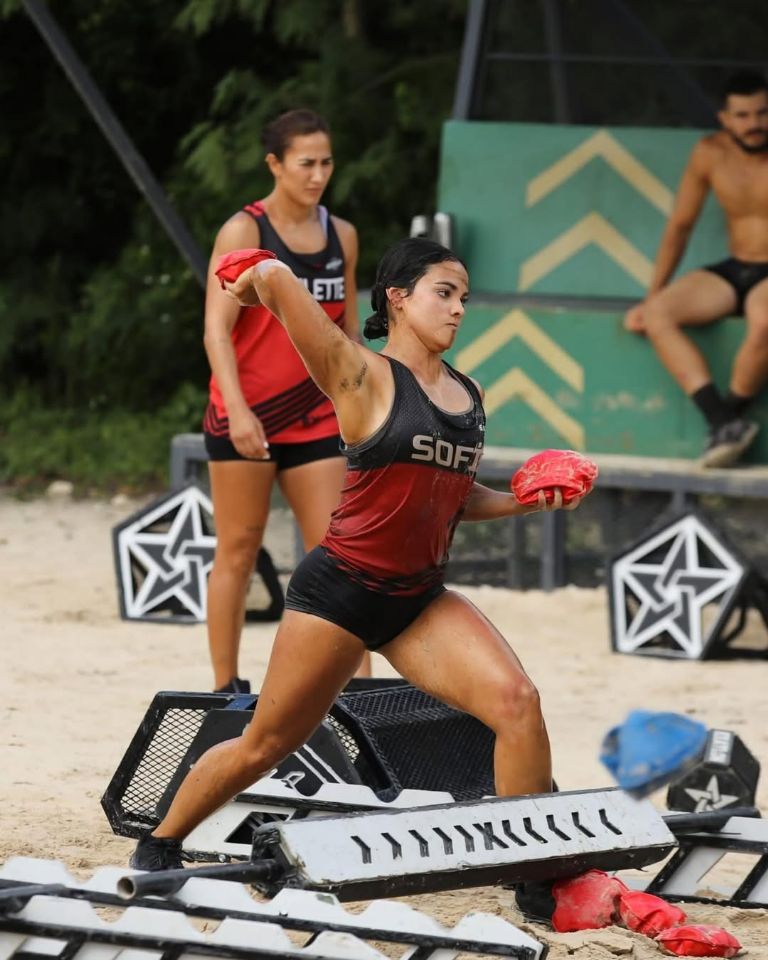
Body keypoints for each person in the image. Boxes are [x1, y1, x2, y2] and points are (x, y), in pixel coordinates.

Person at [130, 236, 589, 872]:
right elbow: (299, 312)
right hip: (340, 594)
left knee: (519, 705)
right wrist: (264, 273)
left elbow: (452, 495)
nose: (458, 309)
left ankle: (538, 874)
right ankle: (159, 843)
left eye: (463, 297)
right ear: (397, 298)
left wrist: (524, 503)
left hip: (418, 600)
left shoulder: (469, 394)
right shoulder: (361, 375)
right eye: (444, 293)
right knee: (265, 743)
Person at [201, 108, 370, 692]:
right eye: (306, 164)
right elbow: (216, 330)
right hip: (246, 412)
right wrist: (237, 410)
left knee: (339, 556)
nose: (318, 175)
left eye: (326, 162)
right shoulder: (244, 231)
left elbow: (347, 333)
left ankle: (356, 694)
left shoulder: (342, 235)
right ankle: (225, 687)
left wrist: (366, 405)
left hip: (317, 415)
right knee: (239, 548)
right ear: (275, 164)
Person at [624, 70, 768, 468]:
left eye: (762, 113)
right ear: (725, 118)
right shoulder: (709, 153)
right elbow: (680, 227)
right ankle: (724, 422)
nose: (754, 124)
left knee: (765, 321)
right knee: (658, 314)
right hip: (737, 266)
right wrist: (652, 295)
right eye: (743, 115)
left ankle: (728, 420)